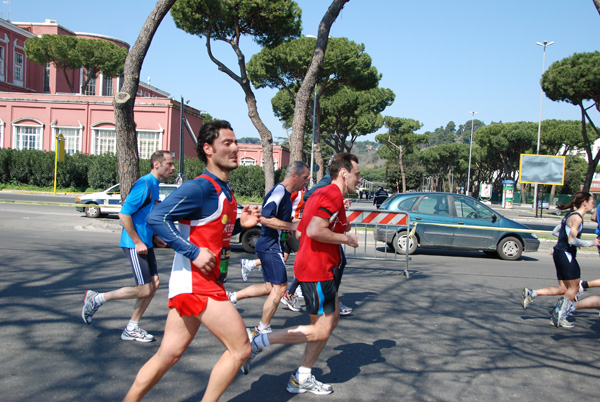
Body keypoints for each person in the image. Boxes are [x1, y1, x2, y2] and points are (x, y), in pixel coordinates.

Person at [123, 121, 261, 401]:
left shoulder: (224, 190)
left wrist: (240, 225)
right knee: (241, 349)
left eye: (236, 142)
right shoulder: (200, 187)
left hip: (198, 284)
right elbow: (156, 218)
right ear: (208, 149)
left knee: (168, 355)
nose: (235, 148)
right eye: (227, 143)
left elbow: (211, 230)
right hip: (197, 285)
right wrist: (192, 252)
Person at [245, 152, 360, 395]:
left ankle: (302, 376)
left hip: (322, 267)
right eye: (357, 175)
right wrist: (346, 238)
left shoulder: (323, 194)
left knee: (332, 319)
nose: (359, 180)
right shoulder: (330, 194)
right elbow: (316, 230)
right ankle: (257, 341)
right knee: (320, 329)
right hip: (317, 269)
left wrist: (344, 224)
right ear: (344, 173)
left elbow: (319, 225)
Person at [81, 150, 175, 342]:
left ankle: (132, 327)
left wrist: (154, 236)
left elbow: (146, 215)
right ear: (157, 165)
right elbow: (124, 214)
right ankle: (97, 298)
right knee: (144, 289)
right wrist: (138, 241)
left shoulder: (155, 185)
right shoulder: (145, 183)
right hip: (135, 244)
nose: (172, 168)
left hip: (146, 242)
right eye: (169, 164)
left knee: (154, 285)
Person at [228, 161, 310, 334]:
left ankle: (233, 297)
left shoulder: (287, 194)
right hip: (270, 246)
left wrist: (295, 224)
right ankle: (262, 327)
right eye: (305, 177)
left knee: (269, 288)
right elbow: (264, 218)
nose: (307, 181)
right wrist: (291, 226)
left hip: (271, 245)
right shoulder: (280, 191)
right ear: (294, 176)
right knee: (280, 289)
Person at [521, 192, 600, 328]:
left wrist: (565, 242)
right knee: (574, 289)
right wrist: (590, 243)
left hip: (559, 252)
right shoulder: (578, 218)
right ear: (585, 203)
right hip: (566, 255)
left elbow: (556, 231)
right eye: (592, 202)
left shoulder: (570, 215)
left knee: (564, 288)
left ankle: (532, 293)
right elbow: (571, 240)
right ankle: (560, 315)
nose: (594, 205)